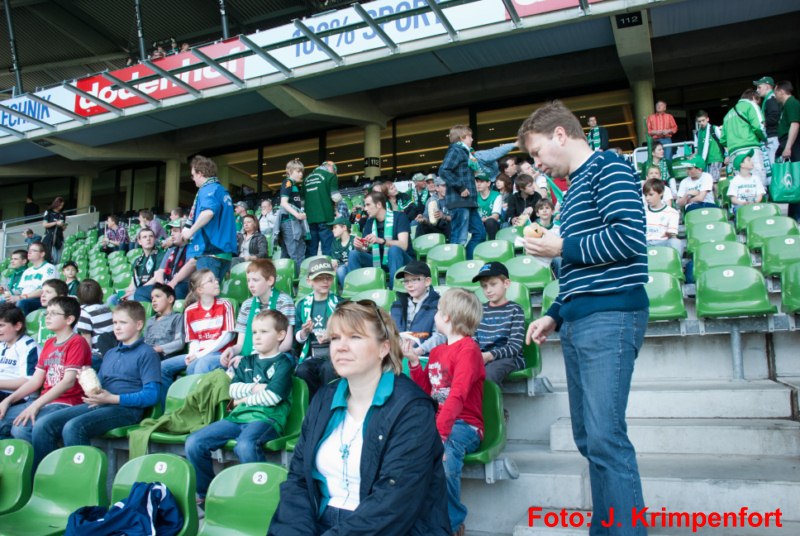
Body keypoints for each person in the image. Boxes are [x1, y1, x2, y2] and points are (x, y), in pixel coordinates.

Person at [520, 100, 648, 536]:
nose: (537, 163)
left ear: (560, 134)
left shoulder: (609, 167)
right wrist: (555, 314)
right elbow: (579, 271)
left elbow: (628, 238)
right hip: (581, 318)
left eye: (537, 152)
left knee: (605, 437)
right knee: (590, 438)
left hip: (610, 315)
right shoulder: (573, 189)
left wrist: (560, 247)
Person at [268, 300, 450, 536]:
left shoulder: (412, 409)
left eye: (355, 337)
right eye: (335, 338)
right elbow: (299, 480)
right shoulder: (324, 399)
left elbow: (394, 502)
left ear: (383, 348)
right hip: (319, 523)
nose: (341, 347)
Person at [32, 301, 161, 468]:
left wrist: (113, 399)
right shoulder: (110, 353)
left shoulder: (147, 353)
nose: (117, 327)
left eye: (123, 323)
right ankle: (44, 476)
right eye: (114, 322)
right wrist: (86, 381)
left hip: (126, 409)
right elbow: (99, 386)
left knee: (73, 427)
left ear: (138, 325)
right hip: (101, 404)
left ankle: (83, 479)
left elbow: (152, 395)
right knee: (43, 425)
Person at [187, 309, 294, 509]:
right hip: (236, 418)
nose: (257, 337)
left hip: (266, 419)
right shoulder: (246, 361)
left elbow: (272, 398)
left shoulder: (284, 363)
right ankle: (207, 496)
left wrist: (243, 399)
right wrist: (255, 389)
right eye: (254, 332)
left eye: (264, 332)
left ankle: (261, 498)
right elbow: (233, 390)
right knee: (194, 442)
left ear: (280, 335)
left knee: (245, 445)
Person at [408, 288, 485, 536]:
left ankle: (452, 524)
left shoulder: (469, 350)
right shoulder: (437, 351)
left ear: (447, 317)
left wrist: (440, 434)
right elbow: (427, 390)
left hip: (465, 425)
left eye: (438, 311)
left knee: (446, 454)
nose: (434, 315)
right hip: (439, 422)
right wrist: (413, 361)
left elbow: (458, 395)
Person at [3, 297, 92, 462]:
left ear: (69, 319)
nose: (47, 317)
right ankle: (12, 468)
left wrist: (36, 405)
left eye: (53, 313)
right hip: (46, 401)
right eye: (47, 313)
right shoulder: (50, 343)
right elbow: (35, 381)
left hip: (66, 402)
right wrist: (8, 401)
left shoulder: (77, 342)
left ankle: (42, 469)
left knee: (21, 429)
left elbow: (68, 382)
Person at [159, 270, 235, 400]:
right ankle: (168, 407)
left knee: (200, 364)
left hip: (220, 353)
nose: (216, 282)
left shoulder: (225, 305)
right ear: (200, 290)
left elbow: (228, 337)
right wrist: (192, 354)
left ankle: (194, 405)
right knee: (162, 367)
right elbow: (193, 340)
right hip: (198, 353)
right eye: (210, 280)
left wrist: (199, 355)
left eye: (215, 279)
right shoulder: (190, 311)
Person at [220, 259, 295, 370]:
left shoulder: (284, 301)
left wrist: (256, 358)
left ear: (270, 280)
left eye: (255, 280)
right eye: (248, 280)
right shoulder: (246, 305)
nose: (250, 285)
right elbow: (240, 344)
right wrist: (232, 350)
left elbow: (287, 343)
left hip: (279, 356)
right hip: (250, 357)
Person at [182, 155, 238, 284]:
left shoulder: (207, 189)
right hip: (224, 253)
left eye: (193, 175)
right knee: (214, 291)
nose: (193, 179)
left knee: (206, 292)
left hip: (210, 251)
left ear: (200, 173)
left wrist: (190, 232)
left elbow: (208, 212)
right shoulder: (222, 190)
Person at [345, 192, 413, 289]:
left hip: (401, 260)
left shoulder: (399, 217)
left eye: (368, 205)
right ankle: (357, 291)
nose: (365, 209)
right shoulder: (370, 222)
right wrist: (359, 246)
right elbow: (365, 248)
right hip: (379, 261)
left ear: (379, 205)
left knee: (394, 250)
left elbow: (403, 245)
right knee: (354, 254)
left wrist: (382, 241)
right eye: (365, 205)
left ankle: (394, 291)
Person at [294, 259, 340, 399]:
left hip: (334, 353)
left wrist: (332, 335)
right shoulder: (302, 305)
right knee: (303, 370)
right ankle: (314, 403)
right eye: (319, 278)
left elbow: (349, 332)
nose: (325, 281)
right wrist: (304, 332)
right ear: (309, 281)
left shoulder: (340, 303)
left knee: (328, 368)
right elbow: (296, 337)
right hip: (313, 354)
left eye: (328, 277)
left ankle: (329, 403)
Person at [440, 124, 485, 259]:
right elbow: (443, 171)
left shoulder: (465, 152)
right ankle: (455, 265)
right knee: (459, 238)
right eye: (470, 136)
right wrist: (461, 187)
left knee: (480, 234)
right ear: (462, 138)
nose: (472, 139)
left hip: (468, 202)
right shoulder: (456, 150)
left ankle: (467, 262)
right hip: (460, 201)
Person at [0, 305, 39, 438]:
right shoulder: (1, 344)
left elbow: (28, 380)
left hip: (18, 397)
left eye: (1, 325)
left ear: (17, 326)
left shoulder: (28, 346)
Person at [134, 219, 195, 301]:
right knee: (141, 292)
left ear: (185, 231)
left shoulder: (193, 248)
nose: (172, 234)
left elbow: (190, 266)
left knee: (177, 290)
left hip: (183, 285)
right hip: (168, 284)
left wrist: (172, 283)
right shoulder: (171, 249)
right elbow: (160, 272)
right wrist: (161, 287)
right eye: (171, 231)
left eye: (175, 231)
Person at [721, 88, 768, 187]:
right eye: (758, 102)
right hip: (750, 148)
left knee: (741, 183)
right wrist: (764, 139)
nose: (758, 105)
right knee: (758, 180)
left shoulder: (728, 115)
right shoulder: (751, 105)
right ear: (753, 98)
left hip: (734, 152)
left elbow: (723, 139)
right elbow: (759, 127)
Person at [110, 228, 163, 305]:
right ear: (139, 241)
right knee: (113, 298)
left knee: (132, 298)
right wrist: (127, 292)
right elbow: (133, 283)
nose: (148, 239)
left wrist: (136, 291)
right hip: (137, 291)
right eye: (144, 237)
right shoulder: (137, 261)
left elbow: (156, 279)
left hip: (151, 291)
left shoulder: (160, 255)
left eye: (151, 236)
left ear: (154, 239)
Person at [391, 261, 440, 344]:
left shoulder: (438, 305)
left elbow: (439, 335)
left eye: (414, 280)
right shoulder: (397, 305)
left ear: (427, 281)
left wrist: (421, 349)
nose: (409, 285)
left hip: (425, 351)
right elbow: (390, 332)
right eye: (406, 281)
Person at [774, 80, 800, 221]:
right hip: (787, 143)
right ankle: (793, 214)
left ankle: (797, 215)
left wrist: (788, 146)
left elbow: (795, 124)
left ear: (781, 91)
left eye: (775, 91)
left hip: (793, 144)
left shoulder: (792, 103)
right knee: (793, 181)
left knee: (796, 178)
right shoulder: (786, 106)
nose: (774, 95)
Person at [76, 279, 115, 370]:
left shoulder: (84, 312)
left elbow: (86, 338)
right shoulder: (106, 307)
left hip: (98, 355)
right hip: (112, 350)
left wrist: (87, 360)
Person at [304, 161, 341, 257]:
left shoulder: (306, 179)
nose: (335, 173)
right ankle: (327, 266)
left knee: (311, 250)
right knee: (327, 249)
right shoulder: (330, 176)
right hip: (326, 217)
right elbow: (336, 197)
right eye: (335, 171)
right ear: (331, 167)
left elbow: (302, 200)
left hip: (309, 219)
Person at [278, 158, 307, 277]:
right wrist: (297, 215)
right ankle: (299, 282)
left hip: (290, 222)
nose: (301, 174)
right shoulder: (288, 182)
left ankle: (282, 280)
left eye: (302, 172)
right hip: (290, 222)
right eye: (298, 171)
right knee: (297, 254)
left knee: (286, 254)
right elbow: (283, 203)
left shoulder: (294, 185)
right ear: (289, 171)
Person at [10, 242, 56, 316]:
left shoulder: (49, 268)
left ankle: (20, 323)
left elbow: (44, 290)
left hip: (39, 299)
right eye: (29, 250)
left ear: (42, 254)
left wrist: (22, 297)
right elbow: (20, 290)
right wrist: (8, 294)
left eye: (33, 250)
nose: (29, 252)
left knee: (22, 302)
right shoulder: (27, 271)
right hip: (24, 298)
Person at [143, 283, 185, 359]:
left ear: (170, 299)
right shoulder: (150, 320)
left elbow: (179, 342)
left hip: (165, 357)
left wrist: (157, 349)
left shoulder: (177, 317)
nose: (153, 300)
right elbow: (145, 341)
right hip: (148, 356)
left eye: (157, 296)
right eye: (152, 298)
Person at [643, 179, 682, 256]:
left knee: (676, 242)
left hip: (662, 242)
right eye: (646, 195)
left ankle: (675, 263)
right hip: (645, 242)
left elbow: (673, 235)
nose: (647, 198)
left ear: (661, 193)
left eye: (651, 194)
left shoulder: (672, 212)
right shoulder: (642, 211)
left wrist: (669, 233)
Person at [755, 76, 781, 165]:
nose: (757, 90)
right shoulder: (769, 98)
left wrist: (763, 123)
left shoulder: (771, 99)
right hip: (773, 136)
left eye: (759, 87)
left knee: (774, 165)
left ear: (767, 86)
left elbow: (774, 117)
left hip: (774, 136)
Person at [694, 110, 725, 183]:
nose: (701, 123)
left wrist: (727, 155)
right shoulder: (697, 133)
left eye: (703, 120)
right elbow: (697, 149)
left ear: (707, 119)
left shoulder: (714, 128)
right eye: (699, 121)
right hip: (704, 161)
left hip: (716, 157)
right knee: (707, 182)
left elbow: (723, 142)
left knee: (714, 181)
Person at [330, 217, 354, 290]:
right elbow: (335, 260)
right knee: (340, 270)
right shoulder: (335, 243)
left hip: (353, 268)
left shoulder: (354, 240)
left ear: (344, 228)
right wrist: (334, 263)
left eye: (335, 227)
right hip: (341, 268)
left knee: (341, 269)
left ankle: (350, 291)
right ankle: (347, 291)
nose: (333, 230)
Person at [475, 172, 502, 239]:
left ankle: (492, 242)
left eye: (481, 181)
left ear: (488, 183)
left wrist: (481, 220)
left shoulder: (496, 195)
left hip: (494, 224)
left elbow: (495, 216)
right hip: (479, 224)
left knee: (490, 221)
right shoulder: (474, 196)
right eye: (477, 181)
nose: (478, 184)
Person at [42, 196, 67, 264]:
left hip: (59, 237)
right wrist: (56, 223)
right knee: (50, 257)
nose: (60, 207)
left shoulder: (63, 214)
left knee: (58, 258)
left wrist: (63, 226)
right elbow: (45, 224)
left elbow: (63, 228)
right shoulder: (48, 212)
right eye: (59, 205)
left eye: (62, 205)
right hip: (49, 237)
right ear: (56, 204)